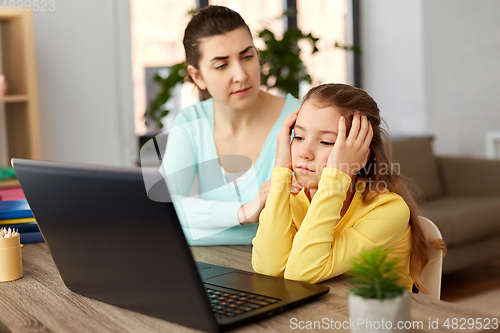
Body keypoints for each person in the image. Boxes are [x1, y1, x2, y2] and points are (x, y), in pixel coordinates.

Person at [252, 83, 445, 292]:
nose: (304, 152)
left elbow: (301, 274)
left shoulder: (389, 211)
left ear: (361, 154)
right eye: (298, 137)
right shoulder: (294, 198)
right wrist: (281, 168)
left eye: (326, 142)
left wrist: (336, 177)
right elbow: (268, 269)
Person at [161, 6, 301, 245]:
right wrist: (244, 213)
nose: (241, 75)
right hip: (214, 267)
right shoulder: (191, 123)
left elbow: (300, 223)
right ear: (197, 76)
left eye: (247, 56)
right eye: (222, 65)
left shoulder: (300, 120)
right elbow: (164, 209)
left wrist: (201, 226)